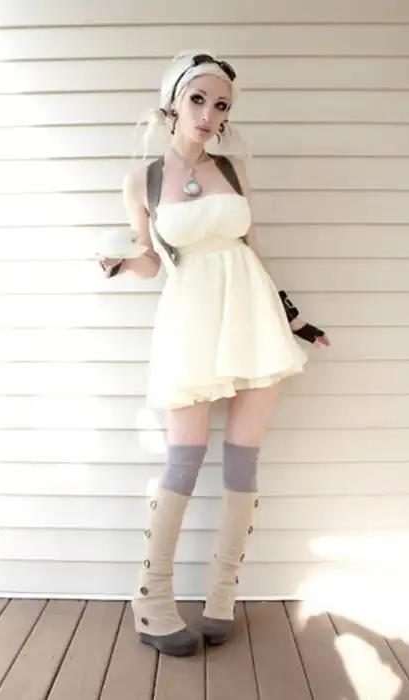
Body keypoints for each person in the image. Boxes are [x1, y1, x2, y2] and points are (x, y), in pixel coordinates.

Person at [98, 50, 330, 657]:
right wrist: (121, 263)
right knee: (184, 458)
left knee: (242, 463)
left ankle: (222, 596)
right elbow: (152, 260)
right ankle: (151, 601)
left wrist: (293, 317)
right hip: (191, 321)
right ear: (174, 102)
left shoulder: (231, 167)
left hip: (253, 315)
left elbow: (253, 246)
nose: (209, 114)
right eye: (198, 99)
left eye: (221, 104)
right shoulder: (144, 180)